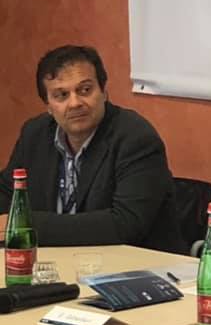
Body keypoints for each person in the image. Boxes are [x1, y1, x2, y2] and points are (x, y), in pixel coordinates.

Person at [0, 45, 183, 252]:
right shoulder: (36, 134)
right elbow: (7, 193)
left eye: (85, 90)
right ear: (49, 106)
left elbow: (125, 225)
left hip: (135, 265)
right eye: (61, 95)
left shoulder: (135, 138)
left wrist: (27, 224)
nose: (75, 103)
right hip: (57, 262)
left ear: (104, 92)